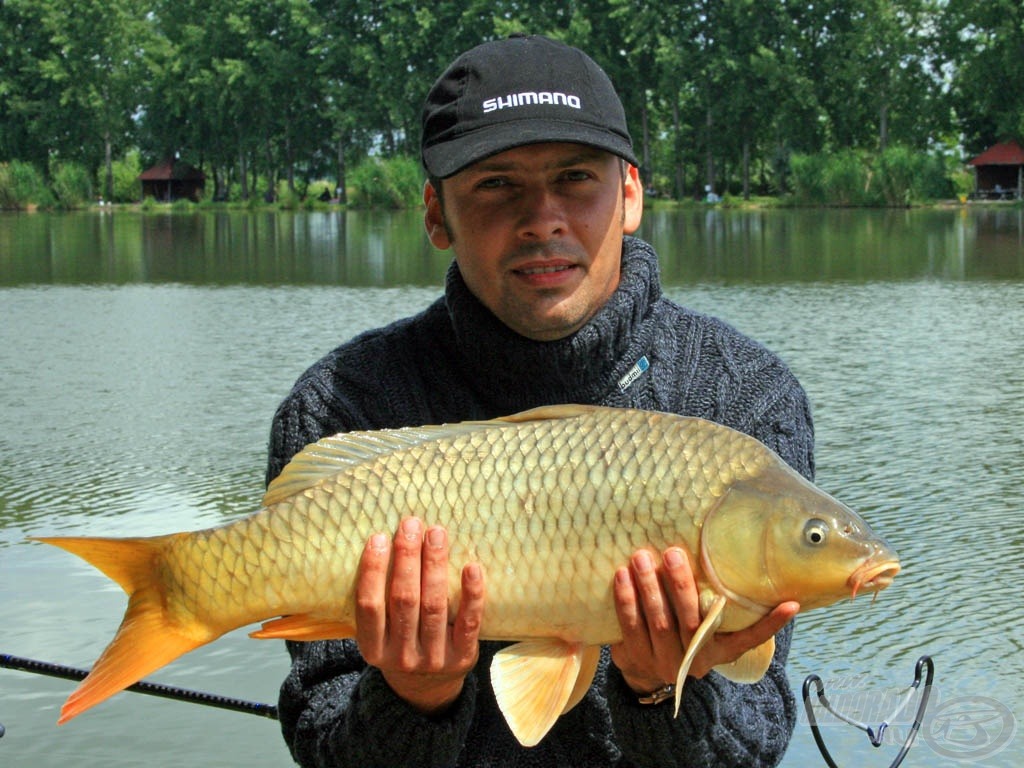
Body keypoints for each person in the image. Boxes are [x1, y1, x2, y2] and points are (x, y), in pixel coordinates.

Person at [267, 34, 813, 768]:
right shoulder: (342, 404)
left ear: (630, 195)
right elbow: (325, 742)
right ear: (437, 214)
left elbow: (755, 741)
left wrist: (657, 691)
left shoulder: (740, 395)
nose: (543, 219)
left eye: (577, 178)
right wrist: (412, 697)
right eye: (497, 185)